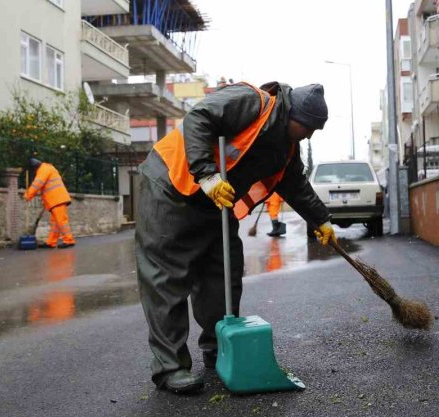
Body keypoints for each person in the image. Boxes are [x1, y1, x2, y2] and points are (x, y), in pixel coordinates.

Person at [135, 81, 336, 394]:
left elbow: (294, 183)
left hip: (215, 200)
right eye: (307, 127)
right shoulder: (250, 102)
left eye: (315, 130)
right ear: (292, 114)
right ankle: (170, 367)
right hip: (171, 183)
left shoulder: (285, 146)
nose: (309, 135)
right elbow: (198, 118)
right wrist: (206, 174)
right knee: (166, 277)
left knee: (222, 272)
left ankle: (219, 347)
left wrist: (321, 219)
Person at [24, 157, 75, 249]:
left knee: (61, 221)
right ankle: (51, 242)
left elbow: (37, 184)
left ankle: (69, 240)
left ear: (34, 168)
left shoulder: (43, 170)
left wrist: (28, 195)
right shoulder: (47, 168)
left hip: (57, 199)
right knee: (55, 223)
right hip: (56, 199)